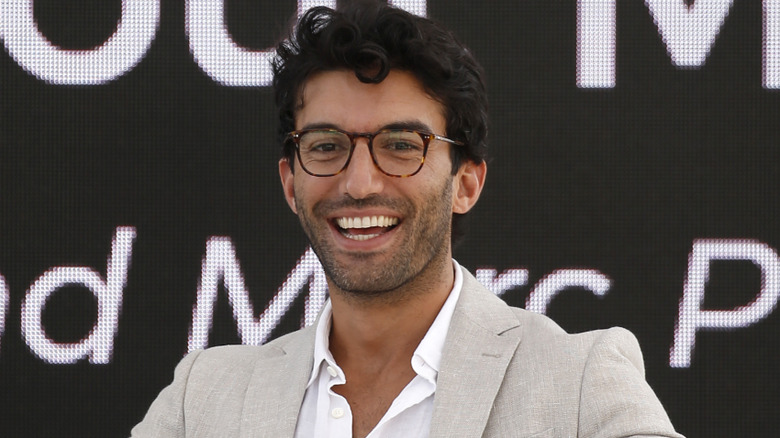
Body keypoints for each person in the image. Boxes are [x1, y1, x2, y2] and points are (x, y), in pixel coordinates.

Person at [131, 2, 683, 437]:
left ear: (466, 182)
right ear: (290, 184)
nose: (360, 183)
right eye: (326, 146)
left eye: (400, 145)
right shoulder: (202, 399)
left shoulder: (579, 383)